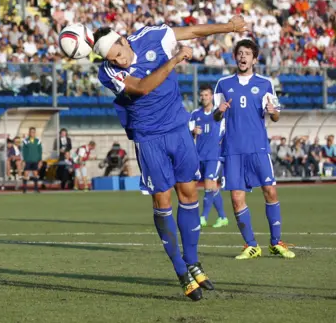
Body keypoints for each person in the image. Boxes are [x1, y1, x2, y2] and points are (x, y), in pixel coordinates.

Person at [93, 15, 248, 300]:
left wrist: (229, 27)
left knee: (189, 194)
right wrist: (174, 60)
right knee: (162, 201)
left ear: (124, 40)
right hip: (148, 137)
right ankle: (180, 270)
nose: (118, 61)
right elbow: (141, 87)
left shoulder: (152, 36)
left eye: (119, 53)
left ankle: (193, 262)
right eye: (113, 59)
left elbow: (190, 30)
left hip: (178, 129)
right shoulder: (107, 72)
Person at [213, 38, 295, 260]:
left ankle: (276, 242)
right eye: (240, 53)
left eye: (247, 53)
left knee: (270, 191)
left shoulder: (265, 83)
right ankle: (251, 245)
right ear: (235, 57)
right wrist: (219, 111)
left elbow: (276, 115)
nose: (243, 57)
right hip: (233, 149)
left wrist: (273, 111)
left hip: (258, 147)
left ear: (254, 59)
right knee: (237, 198)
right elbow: (215, 115)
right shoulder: (223, 84)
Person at [190, 85, 228, 228]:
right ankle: (223, 217)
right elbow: (188, 132)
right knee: (212, 188)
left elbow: (225, 132)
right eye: (202, 95)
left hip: (214, 156)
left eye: (206, 95)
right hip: (199, 156)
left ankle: (203, 217)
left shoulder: (218, 113)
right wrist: (193, 131)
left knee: (208, 184)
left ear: (211, 96)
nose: (204, 97)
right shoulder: (195, 114)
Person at [21, 127, 42, 193]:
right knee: (26, 174)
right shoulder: (25, 141)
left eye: (33, 132)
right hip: (28, 160)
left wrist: (40, 160)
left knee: (35, 174)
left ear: (35, 133)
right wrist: (23, 160)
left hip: (35, 160)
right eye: (31, 132)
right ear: (29, 133)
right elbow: (23, 151)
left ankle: (36, 188)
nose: (32, 133)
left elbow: (40, 151)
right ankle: (24, 189)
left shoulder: (38, 141)